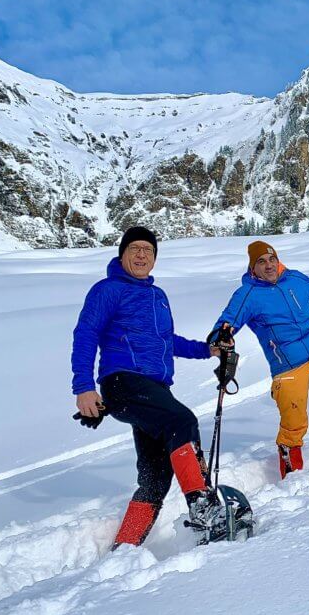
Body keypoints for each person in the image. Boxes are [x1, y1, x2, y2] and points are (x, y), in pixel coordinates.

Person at [71, 226, 223, 549]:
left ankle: (125, 547)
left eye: (148, 250)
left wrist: (207, 350)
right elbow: (86, 334)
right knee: (182, 422)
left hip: (154, 390)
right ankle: (205, 510)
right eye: (135, 248)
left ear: (154, 259)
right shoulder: (108, 290)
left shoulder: (158, 297)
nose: (142, 255)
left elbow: (167, 342)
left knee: (156, 477)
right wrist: (84, 386)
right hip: (123, 381)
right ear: (122, 253)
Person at [210, 241, 309, 479]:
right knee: (294, 423)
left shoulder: (294, 279)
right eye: (261, 262)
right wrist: (221, 337)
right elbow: (226, 322)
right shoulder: (247, 295)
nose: (269, 265)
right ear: (252, 268)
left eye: (272, 259)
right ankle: (291, 476)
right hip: (288, 364)